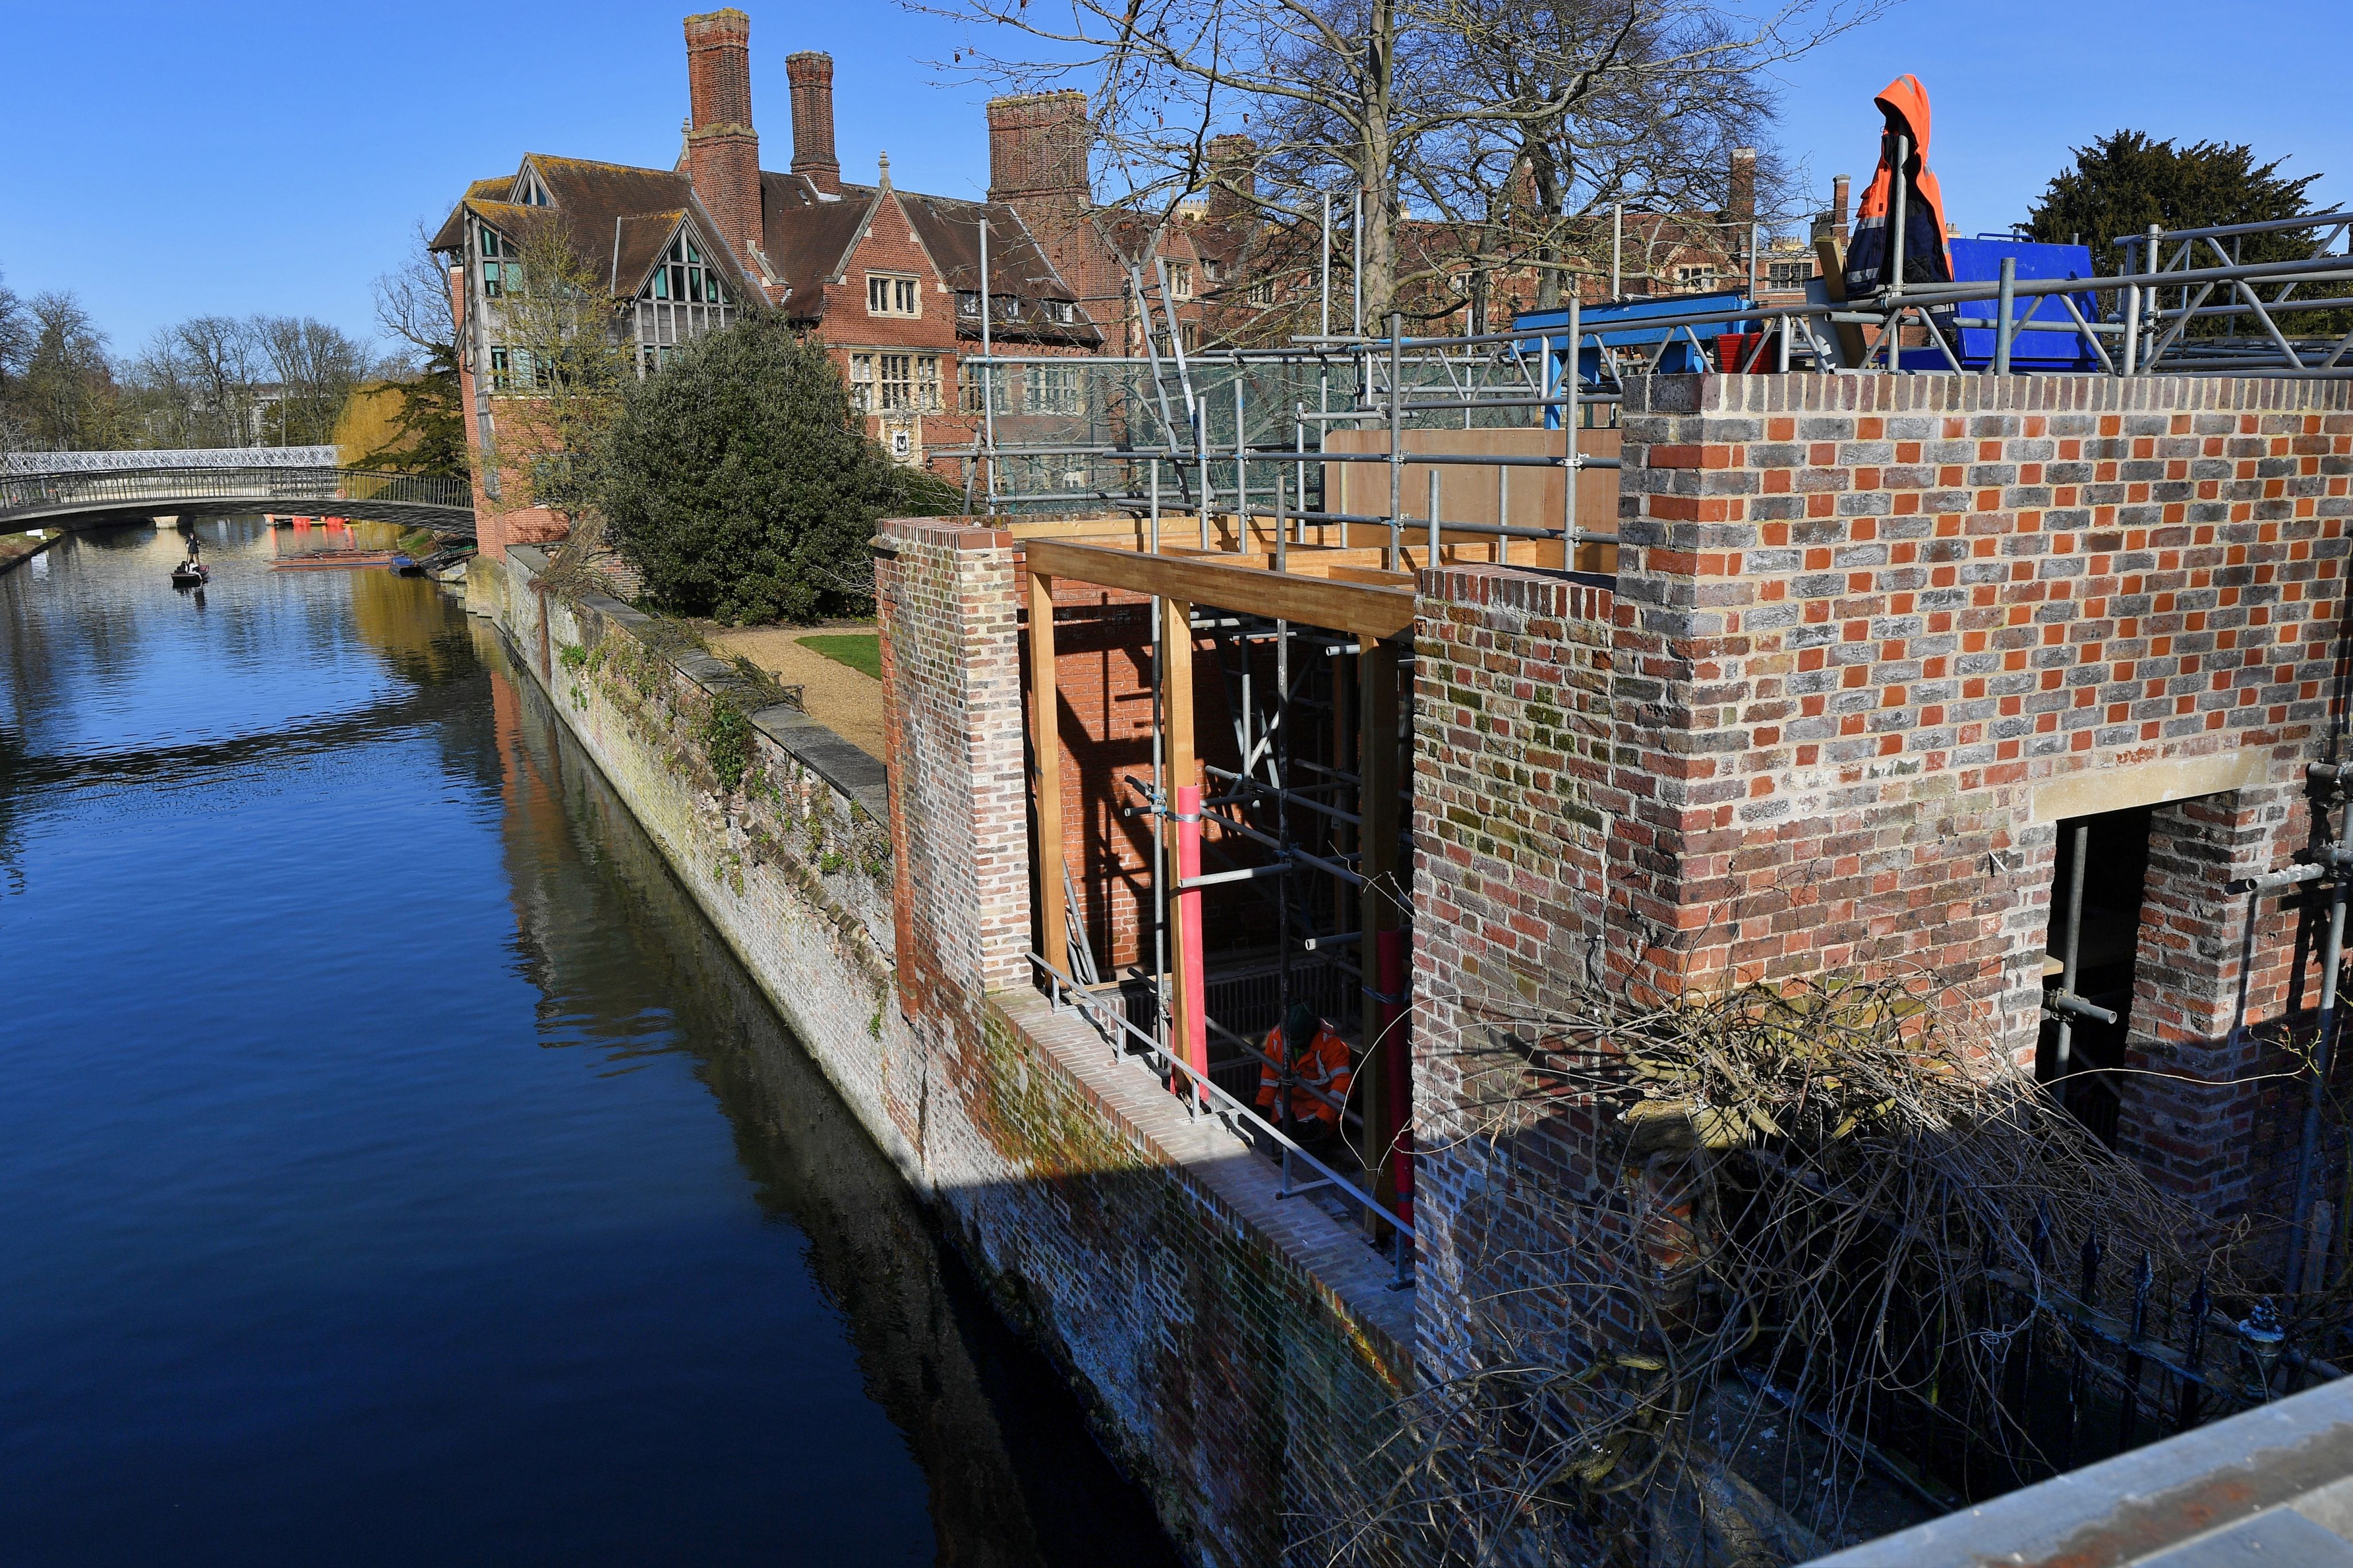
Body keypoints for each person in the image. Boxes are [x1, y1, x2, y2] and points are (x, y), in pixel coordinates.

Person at [1255, 1001, 1353, 1134]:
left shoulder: (1332, 1046)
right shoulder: (1276, 1038)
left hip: (1317, 1110)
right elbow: (1269, 1076)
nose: (1292, 1046)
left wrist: (1324, 1118)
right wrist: (1263, 1105)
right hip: (1285, 1105)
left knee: (1307, 1141)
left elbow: (1343, 1085)